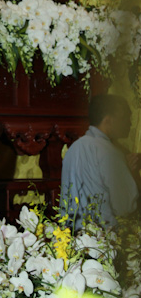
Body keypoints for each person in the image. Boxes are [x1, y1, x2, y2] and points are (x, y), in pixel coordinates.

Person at [60, 94, 140, 230]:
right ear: (108, 120)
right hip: (105, 237)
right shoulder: (110, 152)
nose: (130, 123)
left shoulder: (74, 148)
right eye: (125, 117)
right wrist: (131, 174)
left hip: (71, 235)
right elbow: (125, 207)